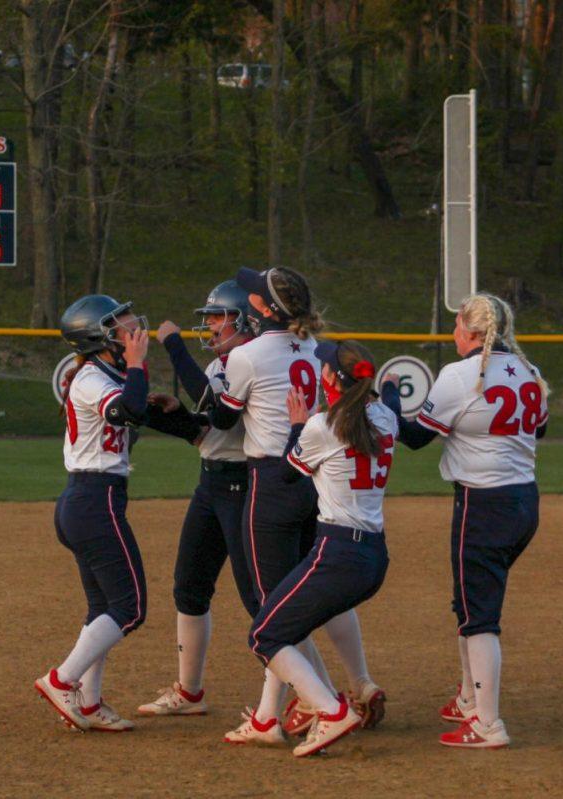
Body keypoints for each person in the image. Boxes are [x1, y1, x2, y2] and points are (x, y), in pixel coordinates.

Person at [207, 266, 384, 745]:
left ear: (262, 309)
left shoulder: (247, 354)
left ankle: (322, 701)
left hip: (274, 477)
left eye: (256, 296)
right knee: (301, 592)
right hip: (319, 483)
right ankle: (271, 714)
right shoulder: (320, 349)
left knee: (274, 609)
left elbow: (221, 417)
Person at [381, 293, 548, 750]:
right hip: (524, 502)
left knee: (479, 618)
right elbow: (540, 427)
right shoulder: (529, 371)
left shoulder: (459, 375)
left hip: (483, 504)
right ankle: (467, 698)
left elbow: (413, 438)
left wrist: (392, 396)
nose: (454, 333)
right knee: (470, 604)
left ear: (472, 332)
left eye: (457, 325)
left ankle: (487, 723)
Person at [34, 294, 201, 733]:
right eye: (119, 324)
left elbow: (130, 411)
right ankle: (62, 679)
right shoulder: (92, 378)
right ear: (97, 337)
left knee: (102, 607)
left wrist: (149, 401)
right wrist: (139, 366)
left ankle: (88, 704)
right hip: (95, 500)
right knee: (130, 608)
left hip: (88, 501)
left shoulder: (103, 374)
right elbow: (125, 409)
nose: (131, 328)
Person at [251, 340, 397, 757]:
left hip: (337, 553)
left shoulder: (322, 426)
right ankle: (268, 716)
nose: (321, 371)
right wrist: (388, 389)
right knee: (285, 625)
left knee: (265, 635)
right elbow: (383, 405)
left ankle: (331, 711)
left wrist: (297, 424)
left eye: (325, 368)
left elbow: (286, 476)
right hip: (373, 556)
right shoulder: (387, 418)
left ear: (332, 379)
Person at [135, 281, 260, 717]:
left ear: (245, 320)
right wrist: (170, 416)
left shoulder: (251, 361)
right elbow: (207, 429)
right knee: (189, 586)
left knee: (262, 599)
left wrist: (172, 346)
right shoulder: (223, 365)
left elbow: (219, 409)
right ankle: (189, 692)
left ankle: (310, 694)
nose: (208, 325)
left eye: (216, 316)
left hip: (247, 487)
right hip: (212, 484)